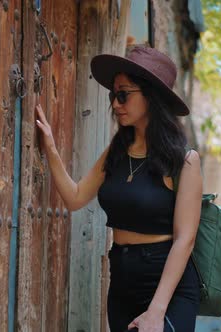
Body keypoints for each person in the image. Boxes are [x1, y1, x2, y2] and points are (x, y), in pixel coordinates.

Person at [35, 45, 203, 332]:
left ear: (150, 96)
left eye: (123, 94)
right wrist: (50, 148)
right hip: (122, 281)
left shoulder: (184, 160)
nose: (115, 104)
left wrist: (156, 311)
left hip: (167, 288)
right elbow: (76, 198)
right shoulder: (118, 150)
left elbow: (185, 239)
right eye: (114, 95)